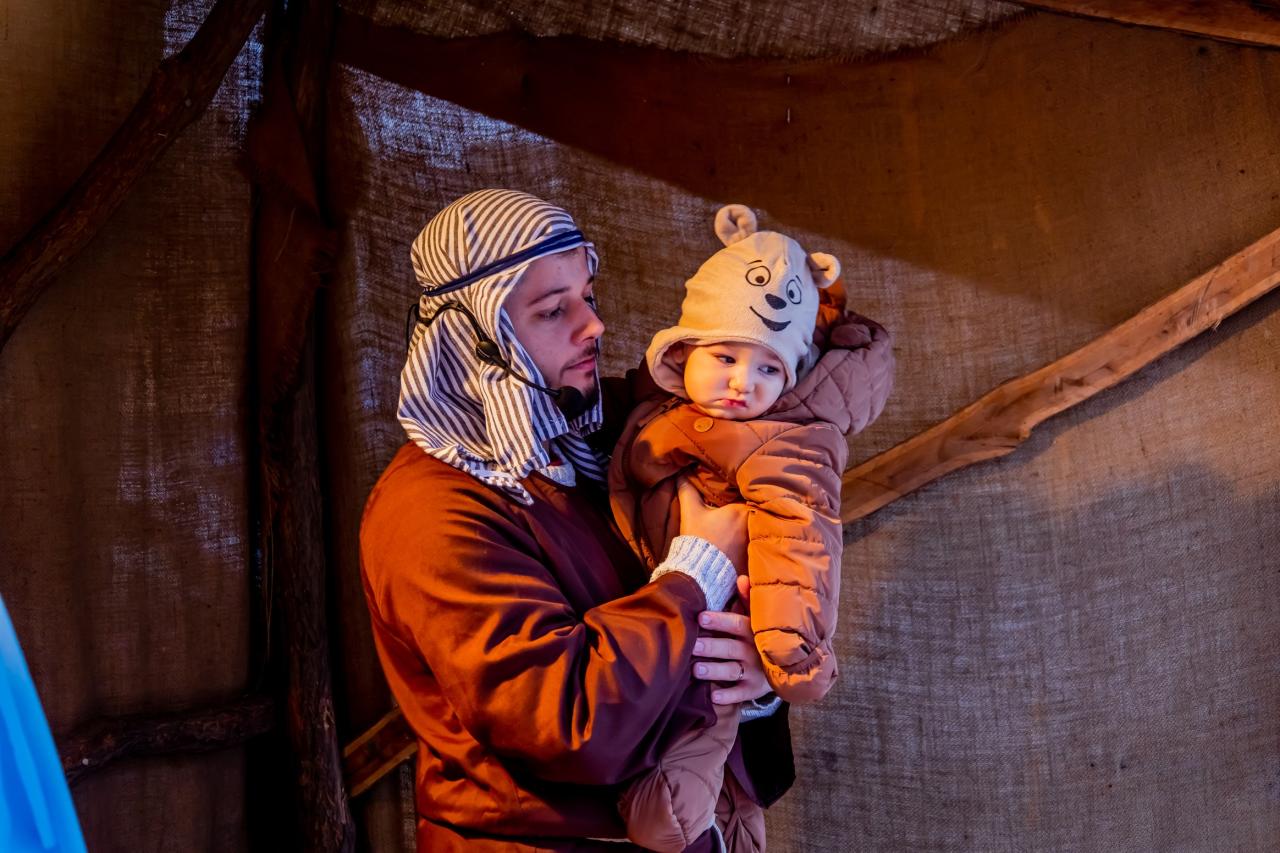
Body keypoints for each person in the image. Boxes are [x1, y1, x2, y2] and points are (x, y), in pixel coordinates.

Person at [359, 189, 795, 852]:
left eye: (587, 296)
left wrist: (748, 674)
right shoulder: (432, 511)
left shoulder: (605, 438)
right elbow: (566, 724)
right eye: (552, 309)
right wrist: (696, 575)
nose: (593, 324)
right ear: (477, 338)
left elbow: (703, 658)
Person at [610, 205, 896, 852]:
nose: (743, 382)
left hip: (726, 629)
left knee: (703, 732)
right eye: (726, 356)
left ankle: (682, 816)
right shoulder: (655, 407)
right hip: (661, 629)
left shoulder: (784, 442)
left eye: (769, 369)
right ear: (683, 350)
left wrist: (789, 655)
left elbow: (801, 540)